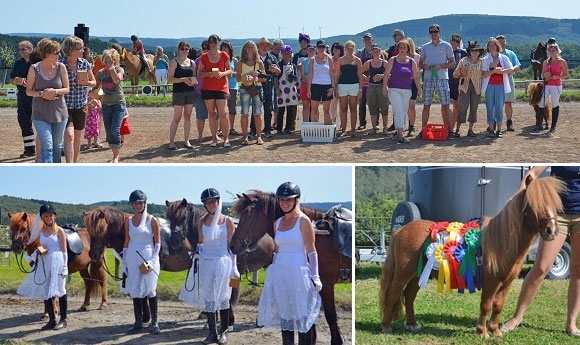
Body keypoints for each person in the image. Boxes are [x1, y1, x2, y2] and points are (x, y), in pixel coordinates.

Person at [500, 166, 580, 337]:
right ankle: (516, 317)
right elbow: (533, 173)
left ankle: (571, 324)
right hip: (557, 214)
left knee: (579, 270)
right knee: (542, 268)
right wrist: (518, 195)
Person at [257, 182, 322, 345]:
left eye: (288, 199)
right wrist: (272, 271)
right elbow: (277, 250)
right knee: (285, 317)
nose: (284, 203)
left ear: (296, 200)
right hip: (280, 272)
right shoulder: (277, 223)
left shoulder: (304, 221)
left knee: (302, 317)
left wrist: (315, 276)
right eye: (282, 200)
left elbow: (311, 250)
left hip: (298, 272)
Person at [179, 188, 238, 344]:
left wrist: (234, 267)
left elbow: (232, 247)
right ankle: (212, 332)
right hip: (207, 262)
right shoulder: (201, 222)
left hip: (223, 262)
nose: (211, 204)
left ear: (218, 202)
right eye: (208, 202)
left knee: (224, 297)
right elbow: (201, 243)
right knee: (210, 299)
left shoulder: (227, 221)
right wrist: (196, 253)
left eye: (213, 201)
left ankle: (224, 331)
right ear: (204, 204)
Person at [122, 190, 161, 335]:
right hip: (132, 256)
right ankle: (138, 322)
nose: (138, 205)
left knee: (150, 289)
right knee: (135, 289)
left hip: (148, 256)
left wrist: (152, 259)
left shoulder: (152, 220)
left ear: (145, 204)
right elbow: (127, 242)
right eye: (136, 203)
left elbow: (157, 242)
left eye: (141, 203)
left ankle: (155, 322)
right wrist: (125, 262)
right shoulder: (129, 221)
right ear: (132, 205)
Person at [25, 204, 69, 330]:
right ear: (42, 218)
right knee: (46, 290)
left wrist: (65, 266)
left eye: (51, 215)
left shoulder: (59, 230)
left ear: (54, 216)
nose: (49, 218)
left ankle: (64, 319)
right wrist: (34, 255)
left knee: (60, 290)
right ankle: (52, 319)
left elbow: (64, 250)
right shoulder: (41, 232)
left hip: (58, 262)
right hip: (46, 263)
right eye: (46, 216)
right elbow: (42, 247)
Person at [25, 38, 70, 163]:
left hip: (60, 113)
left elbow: (67, 89)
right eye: (57, 53)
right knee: (47, 145)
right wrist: (41, 94)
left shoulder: (61, 67)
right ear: (48, 54)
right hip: (40, 113)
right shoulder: (34, 69)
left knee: (56, 146)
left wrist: (54, 91)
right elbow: (28, 91)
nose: (59, 55)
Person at [62, 36, 96, 163]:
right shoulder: (61, 65)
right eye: (80, 48)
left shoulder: (85, 63)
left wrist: (86, 82)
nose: (83, 50)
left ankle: (73, 163)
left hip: (81, 105)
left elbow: (94, 82)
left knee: (77, 137)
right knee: (69, 135)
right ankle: (69, 163)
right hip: (65, 105)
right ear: (70, 50)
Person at [419, 24, 455, 140]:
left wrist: (441, 66)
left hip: (442, 78)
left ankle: (450, 131)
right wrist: (425, 67)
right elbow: (420, 63)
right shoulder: (425, 47)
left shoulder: (446, 46)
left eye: (435, 31)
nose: (433, 34)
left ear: (440, 32)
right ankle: (423, 130)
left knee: (446, 105)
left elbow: (452, 62)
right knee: (426, 105)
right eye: (431, 32)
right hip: (428, 78)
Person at [383, 39, 422, 143]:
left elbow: (416, 76)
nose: (402, 49)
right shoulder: (392, 60)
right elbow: (386, 74)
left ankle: (398, 131)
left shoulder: (412, 61)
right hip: (394, 89)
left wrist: (419, 88)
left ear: (407, 49)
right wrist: (384, 88)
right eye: (400, 47)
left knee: (402, 111)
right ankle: (400, 135)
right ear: (398, 49)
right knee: (399, 110)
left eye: (404, 47)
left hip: (407, 90)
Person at [198, 34, 232, 148]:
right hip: (208, 88)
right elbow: (199, 73)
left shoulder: (224, 55)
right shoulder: (204, 57)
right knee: (211, 113)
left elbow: (229, 71)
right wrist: (209, 74)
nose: (213, 44)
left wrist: (222, 74)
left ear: (218, 42)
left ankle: (226, 138)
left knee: (223, 113)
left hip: (221, 87)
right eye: (211, 42)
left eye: (215, 42)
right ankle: (214, 138)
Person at [94, 48, 126, 163]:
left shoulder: (120, 69)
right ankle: (114, 154)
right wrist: (95, 97)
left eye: (111, 60)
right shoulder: (101, 73)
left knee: (114, 130)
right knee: (109, 132)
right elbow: (95, 87)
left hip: (119, 104)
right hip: (106, 105)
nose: (108, 63)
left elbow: (117, 80)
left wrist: (112, 68)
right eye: (107, 60)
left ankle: (116, 156)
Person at [533, 43, 568, 137]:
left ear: (557, 51)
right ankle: (539, 124)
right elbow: (542, 74)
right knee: (541, 103)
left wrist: (557, 77)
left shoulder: (561, 61)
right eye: (550, 50)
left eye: (554, 50)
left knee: (555, 103)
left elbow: (566, 75)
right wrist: (545, 76)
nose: (552, 52)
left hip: (556, 84)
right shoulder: (546, 62)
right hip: (547, 84)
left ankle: (553, 126)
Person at [167, 41, 197, 150]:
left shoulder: (192, 63)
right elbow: (170, 79)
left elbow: (194, 77)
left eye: (187, 49)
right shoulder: (174, 62)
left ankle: (186, 140)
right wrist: (183, 80)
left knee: (188, 116)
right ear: (179, 50)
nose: (185, 51)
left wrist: (193, 82)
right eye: (183, 48)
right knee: (177, 117)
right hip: (178, 92)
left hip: (190, 92)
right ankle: (171, 142)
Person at [481, 37, 513, 138]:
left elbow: (511, 69)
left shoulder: (504, 58)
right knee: (489, 107)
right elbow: (484, 74)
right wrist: (494, 71)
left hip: (500, 85)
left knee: (499, 107)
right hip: (489, 85)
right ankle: (491, 129)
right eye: (489, 46)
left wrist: (501, 71)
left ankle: (499, 129)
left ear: (497, 46)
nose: (491, 47)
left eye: (493, 45)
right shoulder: (485, 59)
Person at [10, 40, 37, 158]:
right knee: (24, 121)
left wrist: (31, 83)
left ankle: (52, 146)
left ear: (30, 50)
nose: (21, 52)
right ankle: (29, 148)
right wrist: (16, 80)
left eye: (23, 49)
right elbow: (11, 79)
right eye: (19, 49)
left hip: (36, 95)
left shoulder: (37, 63)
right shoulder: (18, 63)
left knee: (42, 121)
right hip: (22, 95)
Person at [236, 40, 266, 145]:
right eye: (248, 47)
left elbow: (264, 78)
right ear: (244, 49)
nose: (249, 49)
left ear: (255, 50)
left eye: (251, 47)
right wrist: (248, 75)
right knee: (244, 114)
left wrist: (255, 77)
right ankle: (245, 137)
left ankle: (259, 137)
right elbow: (238, 78)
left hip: (257, 89)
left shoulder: (259, 62)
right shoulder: (240, 63)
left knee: (257, 114)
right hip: (245, 89)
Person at [452, 41, 484, 137]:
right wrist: (462, 72)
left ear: (479, 52)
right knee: (462, 107)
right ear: (469, 51)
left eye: (476, 50)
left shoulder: (482, 62)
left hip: (477, 87)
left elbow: (485, 74)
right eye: (472, 50)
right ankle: (457, 129)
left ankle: (470, 129)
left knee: (474, 108)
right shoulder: (463, 61)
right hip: (464, 87)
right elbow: (455, 75)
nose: (474, 52)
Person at [361, 44, 389, 135]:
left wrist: (382, 76)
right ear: (371, 52)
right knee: (372, 108)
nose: (376, 53)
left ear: (380, 52)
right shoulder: (368, 63)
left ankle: (385, 128)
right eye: (374, 51)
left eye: (377, 51)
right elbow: (359, 72)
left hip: (382, 86)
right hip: (371, 87)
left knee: (384, 108)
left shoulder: (384, 63)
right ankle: (374, 128)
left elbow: (391, 74)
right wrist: (366, 78)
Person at [336, 40, 362, 137]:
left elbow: (360, 76)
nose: (350, 50)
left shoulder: (357, 60)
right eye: (348, 48)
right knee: (343, 109)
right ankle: (343, 129)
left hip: (354, 86)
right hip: (342, 86)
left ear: (354, 49)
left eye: (351, 48)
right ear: (345, 49)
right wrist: (335, 88)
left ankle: (353, 130)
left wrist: (360, 89)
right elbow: (337, 75)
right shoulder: (340, 60)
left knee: (353, 108)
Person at [496, 35, 521, 132]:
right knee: (496, 103)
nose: (502, 44)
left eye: (503, 42)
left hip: (508, 78)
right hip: (496, 80)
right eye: (500, 42)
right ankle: (494, 122)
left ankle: (509, 121)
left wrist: (511, 70)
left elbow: (517, 64)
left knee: (508, 102)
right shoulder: (493, 54)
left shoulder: (511, 53)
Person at [273, 44, 300, 134]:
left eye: (288, 53)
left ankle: (288, 128)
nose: (286, 55)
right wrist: (277, 89)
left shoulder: (293, 65)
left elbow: (296, 78)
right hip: (282, 89)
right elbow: (276, 78)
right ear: (282, 54)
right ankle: (279, 128)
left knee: (290, 110)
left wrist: (293, 78)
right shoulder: (279, 65)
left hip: (291, 89)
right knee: (281, 110)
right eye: (285, 53)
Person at [256, 37, 280, 138]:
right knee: (256, 109)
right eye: (262, 45)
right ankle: (254, 130)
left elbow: (279, 72)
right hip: (256, 86)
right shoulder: (254, 57)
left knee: (268, 109)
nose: (264, 47)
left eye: (266, 45)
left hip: (269, 86)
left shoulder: (273, 58)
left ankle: (267, 130)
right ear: (259, 46)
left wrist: (276, 70)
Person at [308, 39, 335, 124]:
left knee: (326, 110)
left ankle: (327, 130)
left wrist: (332, 87)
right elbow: (310, 75)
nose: (321, 48)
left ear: (325, 48)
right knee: (314, 110)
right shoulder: (312, 59)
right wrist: (309, 89)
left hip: (327, 86)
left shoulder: (329, 59)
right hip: (315, 85)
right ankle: (313, 130)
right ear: (316, 48)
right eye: (319, 47)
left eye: (323, 47)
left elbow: (332, 74)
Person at [448, 33, 468, 137]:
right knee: (446, 105)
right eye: (453, 40)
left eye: (457, 41)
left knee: (456, 105)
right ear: (450, 40)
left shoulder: (463, 53)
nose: (455, 42)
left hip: (458, 83)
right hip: (446, 80)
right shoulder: (445, 51)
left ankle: (453, 126)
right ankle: (448, 125)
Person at [355, 33, 374, 130]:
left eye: (369, 39)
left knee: (374, 102)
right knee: (362, 102)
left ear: (372, 40)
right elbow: (356, 66)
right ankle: (362, 122)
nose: (367, 41)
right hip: (362, 80)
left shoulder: (377, 52)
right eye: (365, 39)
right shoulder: (359, 53)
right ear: (363, 41)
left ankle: (376, 123)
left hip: (374, 80)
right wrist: (362, 76)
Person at [220, 40, 240, 136]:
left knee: (232, 109)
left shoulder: (234, 60)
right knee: (222, 109)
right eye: (223, 47)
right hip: (221, 87)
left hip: (232, 86)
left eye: (226, 47)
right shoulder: (218, 59)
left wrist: (232, 73)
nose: (224, 49)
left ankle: (231, 128)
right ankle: (221, 129)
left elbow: (238, 73)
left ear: (230, 49)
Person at [293, 34, 312, 124]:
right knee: (303, 104)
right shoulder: (296, 56)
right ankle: (303, 124)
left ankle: (312, 123)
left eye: (305, 42)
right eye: (301, 42)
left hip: (311, 82)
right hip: (299, 82)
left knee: (313, 104)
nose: (303, 44)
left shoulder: (312, 56)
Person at [405, 38, 421, 137]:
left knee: (412, 105)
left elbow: (421, 68)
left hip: (413, 82)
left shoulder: (417, 57)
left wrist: (417, 72)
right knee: (406, 105)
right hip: (404, 82)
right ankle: (409, 123)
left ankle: (412, 126)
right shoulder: (403, 57)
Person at [329, 42, 344, 125]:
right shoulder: (329, 59)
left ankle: (343, 123)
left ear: (341, 50)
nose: (335, 50)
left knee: (343, 105)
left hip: (342, 82)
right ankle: (333, 123)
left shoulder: (343, 60)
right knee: (333, 104)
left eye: (337, 48)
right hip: (332, 82)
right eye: (334, 48)